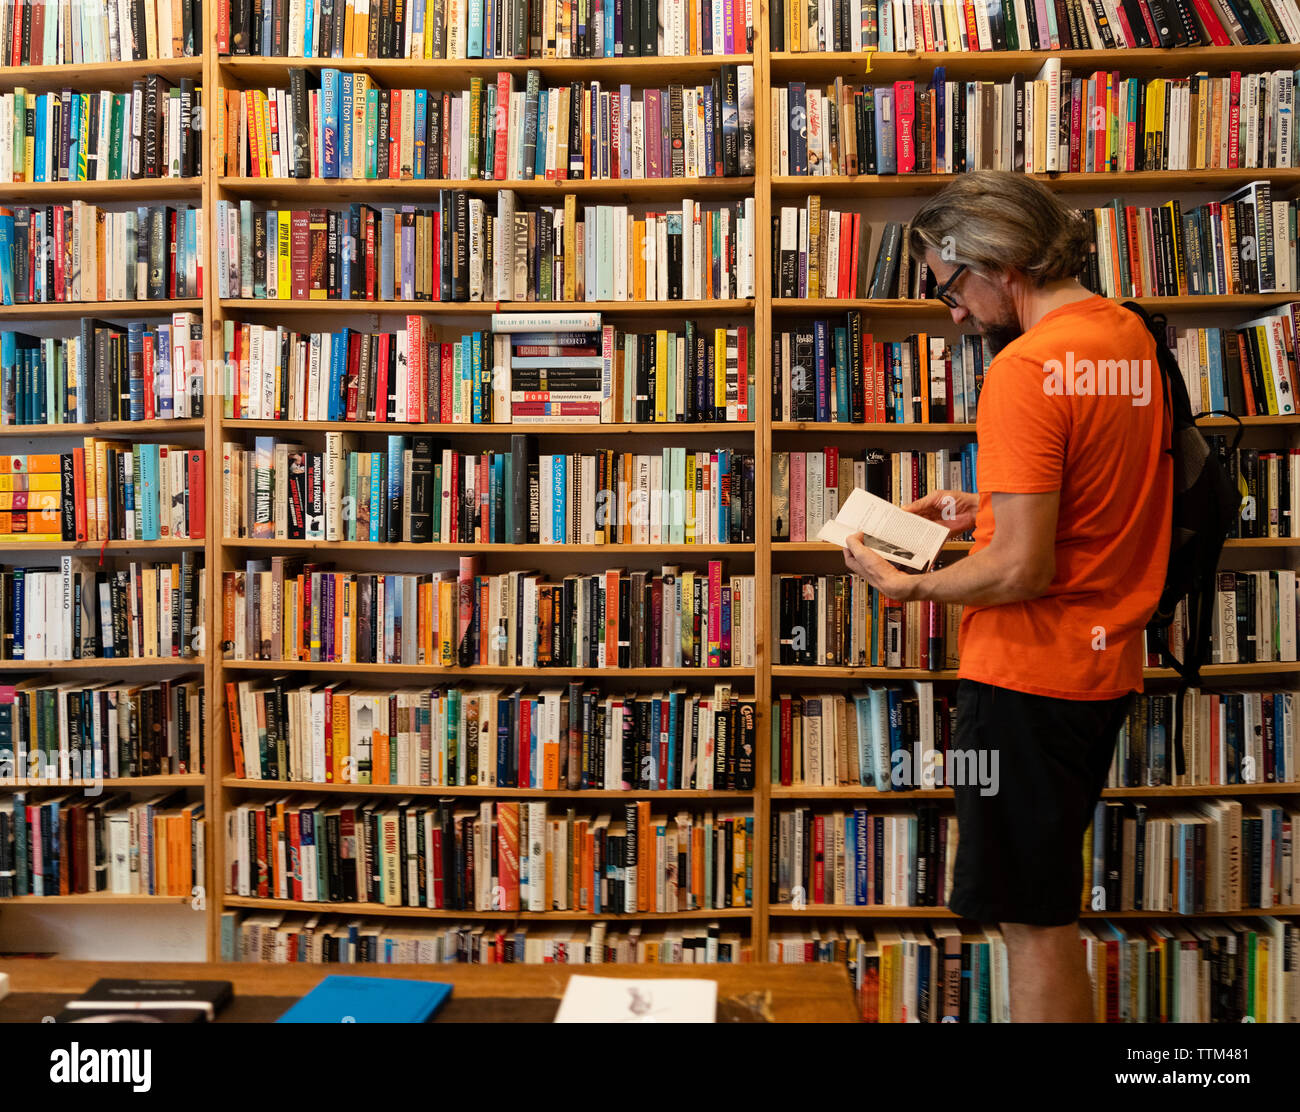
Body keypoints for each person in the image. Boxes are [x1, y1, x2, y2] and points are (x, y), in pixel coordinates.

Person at [841, 171, 1173, 1022]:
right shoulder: (1130, 339)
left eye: (947, 287)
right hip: (1102, 668)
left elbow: (1021, 572)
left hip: (1027, 676)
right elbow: (1094, 499)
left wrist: (910, 585)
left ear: (998, 264)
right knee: (1045, 907)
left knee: (1032, 924)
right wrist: (975, 510)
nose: (949, 312)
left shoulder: (1025, 369)